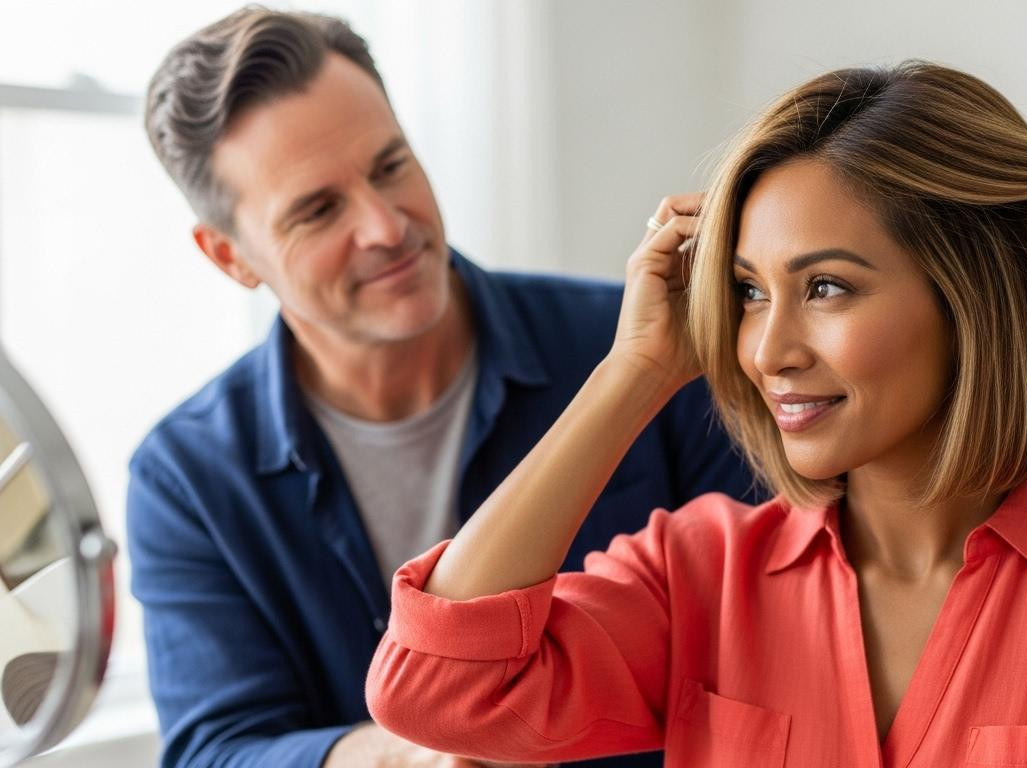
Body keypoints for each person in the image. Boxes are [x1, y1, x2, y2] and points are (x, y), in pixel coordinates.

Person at [364, 62, 1027, 766]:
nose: (767, 350)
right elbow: (434, 683)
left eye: (826, 287)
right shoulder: (699, 575)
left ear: (969, 297)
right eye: (746, 291)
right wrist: (635, 369)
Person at [127, 8, 756, 768]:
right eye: (319, 210)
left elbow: (778, 620)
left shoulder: (642, 347)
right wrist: (416, 752)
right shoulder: (187, 475)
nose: (387, 227)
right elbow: (215, 749)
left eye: (391, 166)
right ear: (230, 256)